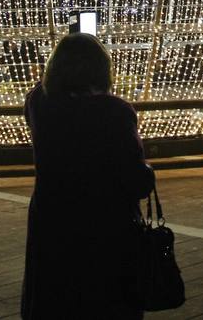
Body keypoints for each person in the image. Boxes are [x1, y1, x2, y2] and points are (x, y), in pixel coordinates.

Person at [21, 33, 155, 319]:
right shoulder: (115, 112)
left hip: (53, 219)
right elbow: (133, 178)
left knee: (57, 298)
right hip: (104, 225)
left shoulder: (39, 104)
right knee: (105, 300)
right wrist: (147, 175)